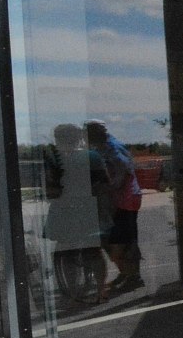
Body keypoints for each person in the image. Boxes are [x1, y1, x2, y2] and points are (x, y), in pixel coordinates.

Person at [45, 123, 111, 303]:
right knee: (93, 249)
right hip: (87, 208)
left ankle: (73, 291)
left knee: (65, 250)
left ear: (58, 140)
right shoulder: (92, 156)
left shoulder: (56, 159)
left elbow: (50, 188)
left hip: (64, 210)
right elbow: (105, 183)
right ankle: (101, 289)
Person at [85, 120, 144, 296]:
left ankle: (133, 276)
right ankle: (126, 273)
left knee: (122, 240)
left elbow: (124, 170)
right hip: (118, 199)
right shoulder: (102, 146)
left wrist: (110, 186)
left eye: (89, 132)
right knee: (117, 239)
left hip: (126, 199)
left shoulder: (113, 147)